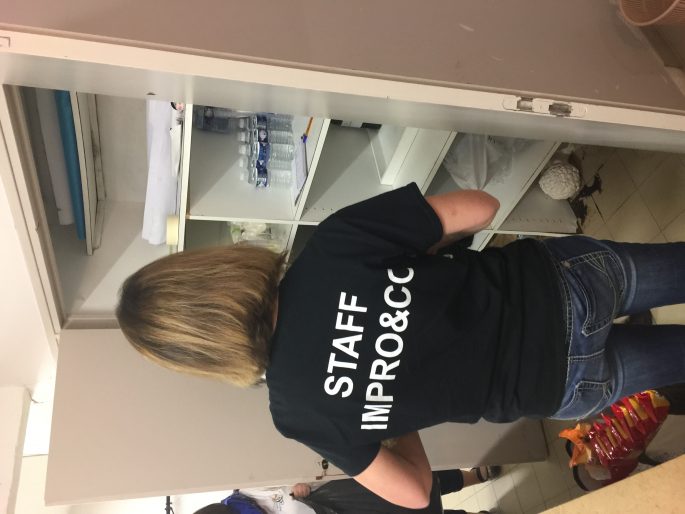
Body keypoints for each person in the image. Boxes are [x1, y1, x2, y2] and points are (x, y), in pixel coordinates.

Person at [116, 183, 685, 508]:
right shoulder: (331, 248)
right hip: (561, 284)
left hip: (555, 382)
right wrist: (420, 265)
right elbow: (480, 207)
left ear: (203, 356)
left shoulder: (298, 413)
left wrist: (389, 404)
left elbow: (413, 493)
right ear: (212, 271)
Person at [193, 466, 501, 514]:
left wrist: (298, 489)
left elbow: (287, 467)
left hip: (348, 492)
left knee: (416, 484)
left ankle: (474, 476)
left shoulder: (249, 488)